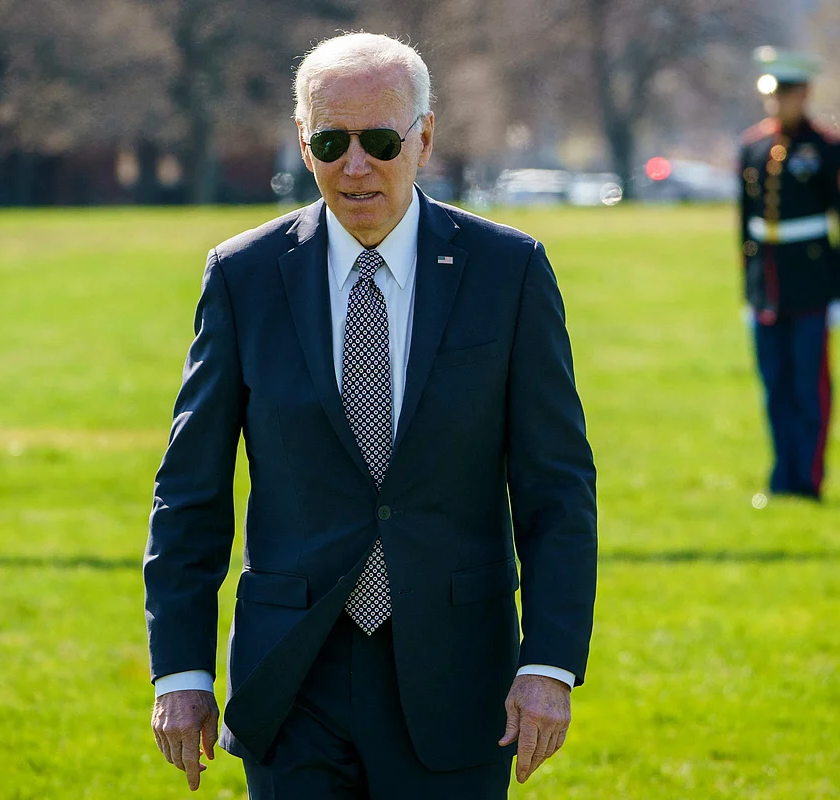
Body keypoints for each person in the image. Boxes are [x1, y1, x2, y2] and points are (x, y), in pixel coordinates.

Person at [143, 32, 598, 799]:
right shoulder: (243, 277)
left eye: (382, 141)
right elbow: (190, 492)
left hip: (459, 681)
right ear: (303, 141)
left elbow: (557, 489)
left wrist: (548, 664)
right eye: (331, 141)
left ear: (424, 137)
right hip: (291, 682)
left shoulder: (508, 271)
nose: (356, 166)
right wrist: (180, 671)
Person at [739, 47, 840, 502]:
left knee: (809, 390)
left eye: (787, 92)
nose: (778, 102)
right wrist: (748, 291)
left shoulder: (829, 149)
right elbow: (746, 226)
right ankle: (782, 477)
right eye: (773, 93)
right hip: (766, 290)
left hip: (813, 287)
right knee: (775, 388)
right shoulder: (752, 146)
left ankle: (808, 481)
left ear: (805, 92)